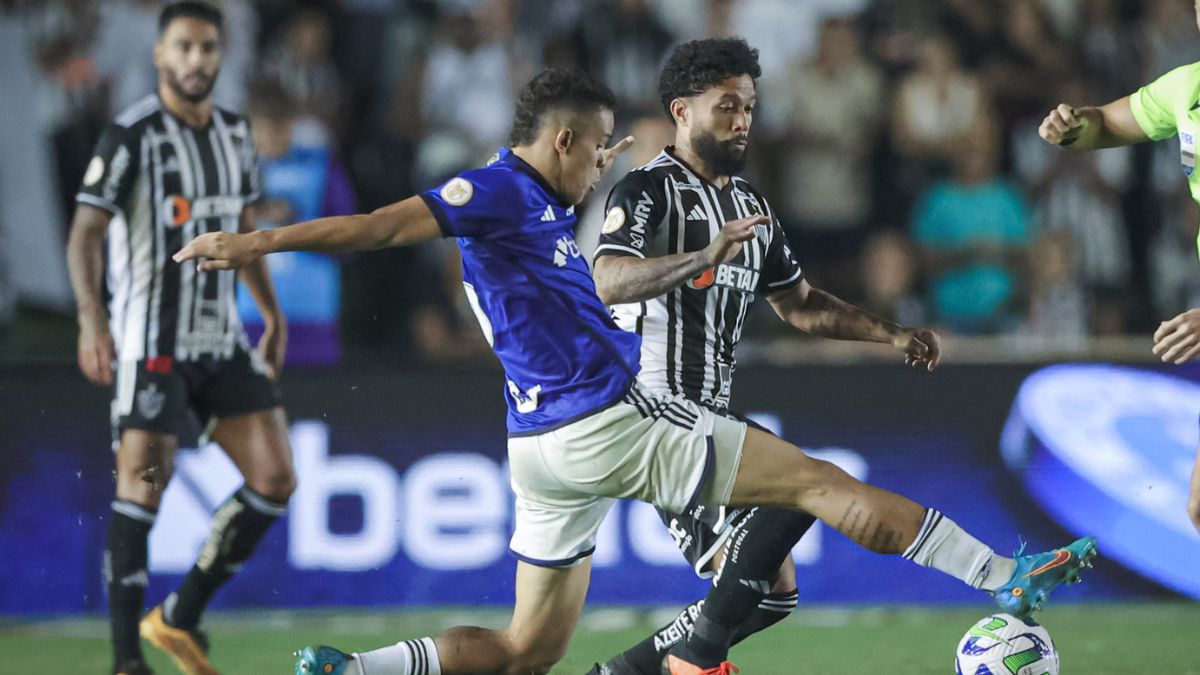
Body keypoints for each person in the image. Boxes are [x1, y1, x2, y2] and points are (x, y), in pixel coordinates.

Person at [177, 67, 1095, 675]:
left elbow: (563, 237)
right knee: (813, 482)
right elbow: (375, 228)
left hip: (539, 449)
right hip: (609, 418)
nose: (607, 165)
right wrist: (251, 240)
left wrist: (583, 175)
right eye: (601, 144)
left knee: (528, 649)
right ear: (567, 142)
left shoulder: (533, 201)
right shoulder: (493, 191)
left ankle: (357, 669)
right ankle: (998, 574)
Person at [584, 37, 937, 675]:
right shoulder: (646, 190)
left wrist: (890, 334)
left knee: (776, 595)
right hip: (657, 413)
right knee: (799, 489)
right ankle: (696, 662)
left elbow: (799, 304)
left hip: (712, 412)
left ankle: (629, 671)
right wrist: (703, 257)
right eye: (725, 106)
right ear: (681, 111)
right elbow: (607, 279)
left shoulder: (751, 208)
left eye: (747, 106)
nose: (742, 119)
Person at [65, 4, 295, 674]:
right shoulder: (130, 134)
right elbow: (85, 231)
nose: (197, 60)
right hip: (150, 342)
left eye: (207, 48)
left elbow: (243, 226)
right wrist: (90, 317)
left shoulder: (234, 132)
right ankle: (124, 660)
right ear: (161, 56)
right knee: (144, 485)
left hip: (220, 337)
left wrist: (271, 314)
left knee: (276, 477)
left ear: (221, 56)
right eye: (184, 48)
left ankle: (180, 614)